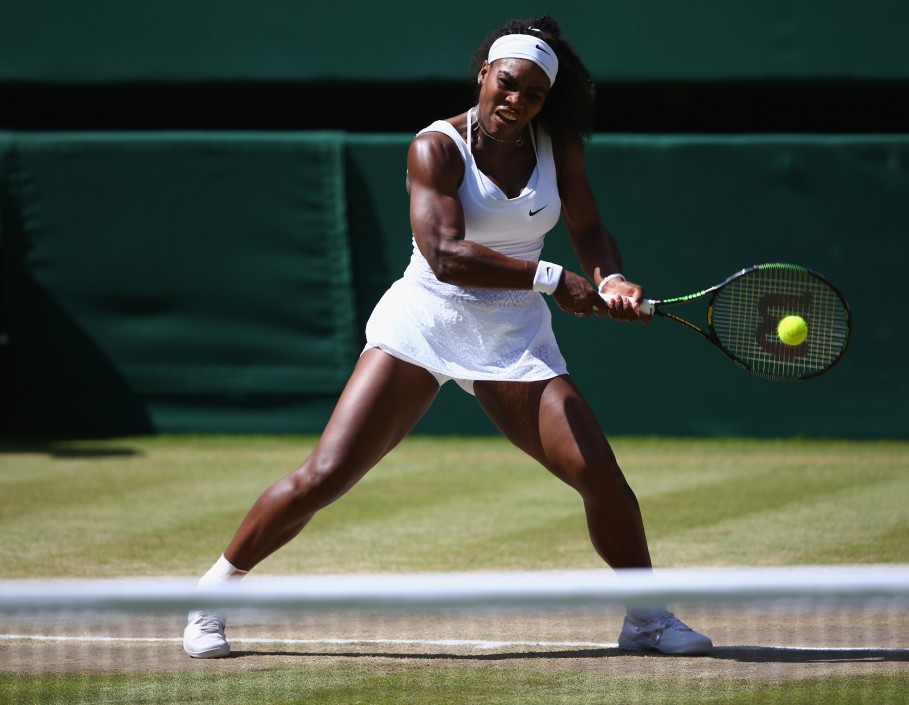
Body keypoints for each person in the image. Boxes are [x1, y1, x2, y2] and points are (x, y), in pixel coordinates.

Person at [183, 15, 712, 658]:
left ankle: (647, 620)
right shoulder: (434, 147)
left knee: (601, 477)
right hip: (427, 320)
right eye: (508, 85)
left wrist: (613, 277)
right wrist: (555, 281)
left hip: (512, 338)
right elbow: (445, 254)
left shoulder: (558, 145)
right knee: (324, 476)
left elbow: (590, 227)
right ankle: (210, 596)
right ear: (484, 73)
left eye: (535, 94)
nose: (516, 103)